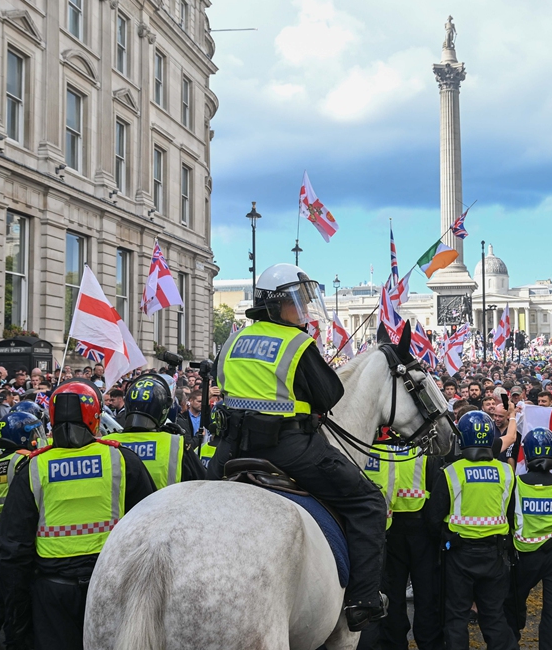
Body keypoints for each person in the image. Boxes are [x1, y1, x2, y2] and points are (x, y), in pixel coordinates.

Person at [207, 262, 388, 630]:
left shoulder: (233, 340)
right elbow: (329, 396)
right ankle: (362, 600)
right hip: (286, 448)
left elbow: (222, 381)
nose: (303, 309)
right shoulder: (297, 343)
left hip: (229, 449)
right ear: (275, 306)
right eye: (296, 302)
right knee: (369, 502)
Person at [0, 381, 155, 650]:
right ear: (95, 418)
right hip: (111, 585)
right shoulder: (122, 460)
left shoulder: (33, 467)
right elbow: (149, 526)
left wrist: (16, 622)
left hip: (53, 592)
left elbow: (13, 550)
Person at [428, 411, 516, 650]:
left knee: (456, 616)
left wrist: (445, 538)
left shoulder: (451, 472)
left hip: (459, 554)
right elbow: (511, 514)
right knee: (493, 614)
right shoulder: (506, 472)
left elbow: (434, 518)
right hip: (495, 554)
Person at [504, 427, 552, 650]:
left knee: (513, 602)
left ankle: (511, 642)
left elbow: (507, 518)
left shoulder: (515, 484)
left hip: (523, 555)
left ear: (527, 454)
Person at [0, 410, 42, 647]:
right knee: (21, 590)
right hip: (22, 532)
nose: (36, 437)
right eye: (33, 433)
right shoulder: (26, 460)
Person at [370, 435, 442, 650]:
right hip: (422, 530)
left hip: (390, 529)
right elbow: (437, 495)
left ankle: (394, 644)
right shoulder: (424, 452)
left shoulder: (379, 451)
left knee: (393, 594)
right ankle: (429, 643)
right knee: (426, 594)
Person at [108, 373, 204, 489]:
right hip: (167, 501)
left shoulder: (106, 443)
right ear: (163, 410)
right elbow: (202, 482)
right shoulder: (175, 444)